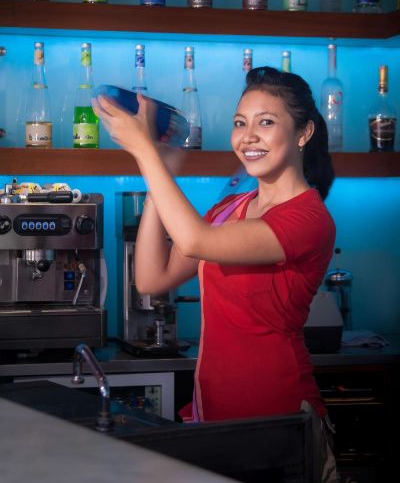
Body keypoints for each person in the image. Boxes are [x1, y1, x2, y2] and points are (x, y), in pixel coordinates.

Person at [93, 66, 337, 482]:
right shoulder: (230, 208)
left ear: (304, 133)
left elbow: (194, 240)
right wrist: (160, 171)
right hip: (214, 411)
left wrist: (145, 152)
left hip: (277, 416)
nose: (248, 137)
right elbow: (151, 279)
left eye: (266, 122)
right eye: (240, 123)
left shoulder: (308, 218)